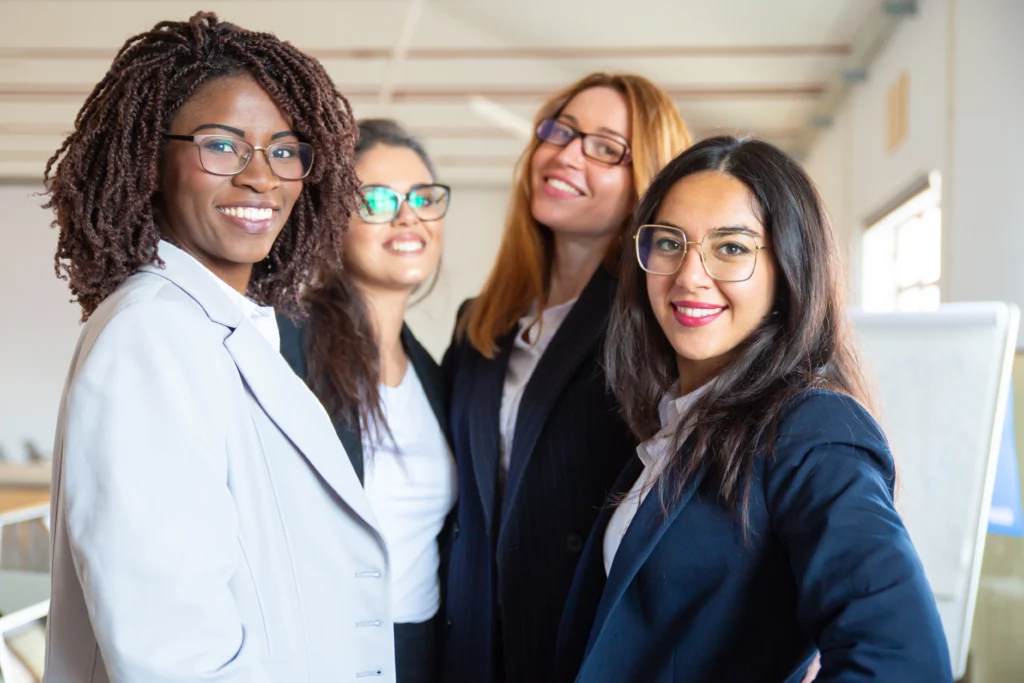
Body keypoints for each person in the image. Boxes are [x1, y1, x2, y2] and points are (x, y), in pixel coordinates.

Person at [43, 13, 395, 682]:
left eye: (285, 150)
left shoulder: (218, 327)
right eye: (222, 145)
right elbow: (172, 655)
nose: (261, 176)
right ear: (150, 159)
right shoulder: (150, 338)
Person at [557, 136, 953, 682]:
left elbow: (905, 663)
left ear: (788, 269)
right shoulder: (674, 423)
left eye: (732, 248)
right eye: (669, 242)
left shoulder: (811, 428)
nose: (689, 275)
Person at [440, 73, 691, 683]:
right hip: (475, 644)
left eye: (605, 147)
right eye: (560, 131)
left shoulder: (657, 323)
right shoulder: (481, 321)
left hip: (586, 646)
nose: (567, 154)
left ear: (648, 183)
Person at [279, 118, 455, 683]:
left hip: (419, 652)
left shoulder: (437, 375)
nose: (408, 217)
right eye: (377, 200)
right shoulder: (285, 345)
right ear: (332, 218)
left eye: (422, 198)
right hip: (318, 656)